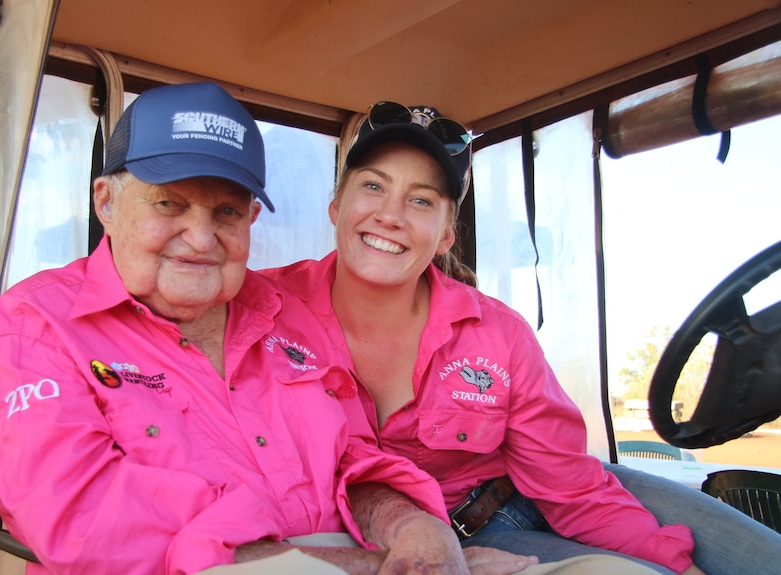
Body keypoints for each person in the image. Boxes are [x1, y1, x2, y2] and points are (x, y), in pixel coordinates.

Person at [0, 82, 542, 575]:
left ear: (251, 217)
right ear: (106, 201)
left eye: (226, 212)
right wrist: (366, 566)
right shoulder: (41, 322)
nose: (201, 238)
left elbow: (352, 458)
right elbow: (78, 517)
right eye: (169, 204)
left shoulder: (284, 311)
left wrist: (415, 531)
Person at [261, 101, 781, 575]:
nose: (390, 216)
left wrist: (677, 563)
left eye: (420, 201)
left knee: (756, 559)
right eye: (373, 186)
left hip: (542, 495)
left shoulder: (498, 333)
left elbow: (571, 487)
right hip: (443, 540)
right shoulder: (258, 312)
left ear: (445, 235)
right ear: (336, 205)